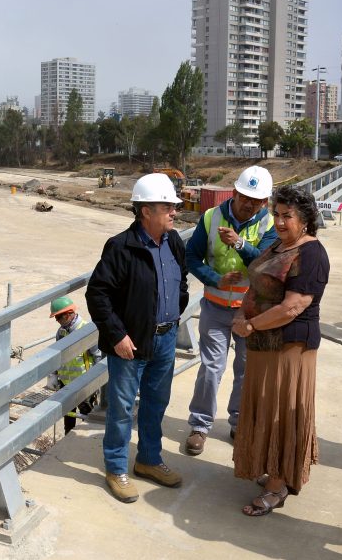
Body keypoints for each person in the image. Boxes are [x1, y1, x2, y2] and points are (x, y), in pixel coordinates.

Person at [85, 173, 189, 503]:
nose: (174, 212)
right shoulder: (121, 247)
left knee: (156, 404)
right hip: (130, 344)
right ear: (146, 211)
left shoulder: (174, 242)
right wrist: (117, 335)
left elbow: (181, 282)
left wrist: (174, 315)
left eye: (173, 207)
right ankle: (116, 468)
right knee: (122, 409)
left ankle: (148, 460)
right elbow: (97, 294)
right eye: (168, 207)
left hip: (166, 339)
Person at [229, 185, 330, 516]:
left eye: (288, 216)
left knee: (280, 414)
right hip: (262, 344)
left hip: (290, 347)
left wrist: (252, 325)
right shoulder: (277, 245)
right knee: (263, 408)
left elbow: (293, 307)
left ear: (306, 219)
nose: (281, 221)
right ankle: (271, 469)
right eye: (277, 214)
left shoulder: (311, 254)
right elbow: (257, 283)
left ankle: (278, 484)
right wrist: (242, 315)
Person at [183, 165, 277, 455]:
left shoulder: (270, 224)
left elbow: (266, 264)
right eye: (244, 197)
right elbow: (191, 257)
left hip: (251, 311)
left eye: (256, 200)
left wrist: (239, 243)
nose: (248, 204)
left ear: (265, 202)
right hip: (215, 306)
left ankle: (239, 422)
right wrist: (215, 279)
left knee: (246, 370)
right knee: (211, 368)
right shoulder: (211, 217)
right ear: (234, 193)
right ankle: (200, 426)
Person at [48, 296, 102, 433]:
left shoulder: (86, 330)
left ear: (69, 313)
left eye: (59, 317)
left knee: (86, 418)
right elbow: (57, 356)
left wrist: (96, 382)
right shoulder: (61, 332)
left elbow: (97, 356)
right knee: (68, 418)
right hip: (66, 384)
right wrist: (53, 375)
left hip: (83, 383)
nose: (57, 320)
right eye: (56, 318)